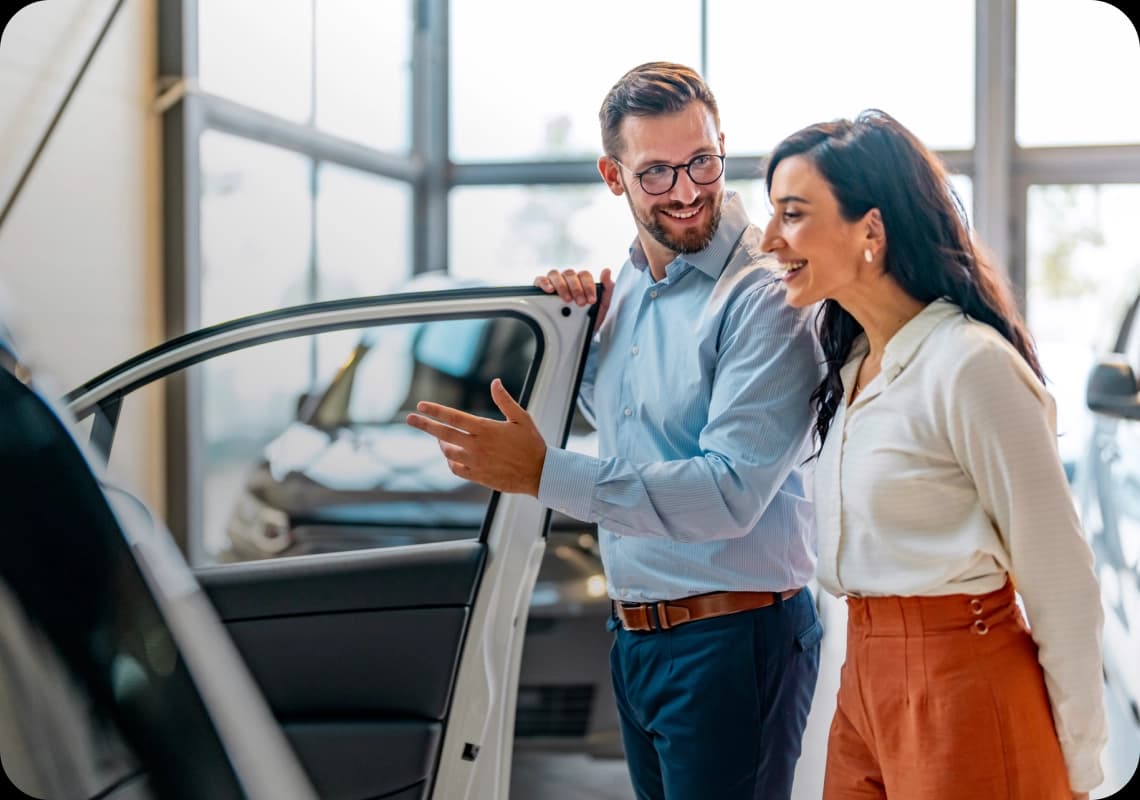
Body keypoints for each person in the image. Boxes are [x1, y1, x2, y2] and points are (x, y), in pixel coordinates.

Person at [407, 62, 823, 800]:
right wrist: (582, 340)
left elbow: (727, 493)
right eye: (657, 173)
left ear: (722, 144)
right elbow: (639, 426)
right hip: (637, 639)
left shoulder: (766, 293)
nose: (688, 191)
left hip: (731, 642)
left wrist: (544, 473)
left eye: (702, 161)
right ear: (613, 175)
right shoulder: (629, 281)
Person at [760, 109, 1107, 800]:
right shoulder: (853, 367)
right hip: (863, 679)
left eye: (792, 215)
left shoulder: (969, 365)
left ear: (872, 230)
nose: (770, 240)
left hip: (964, 678)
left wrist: (1079, 766)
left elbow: (1062, 582)